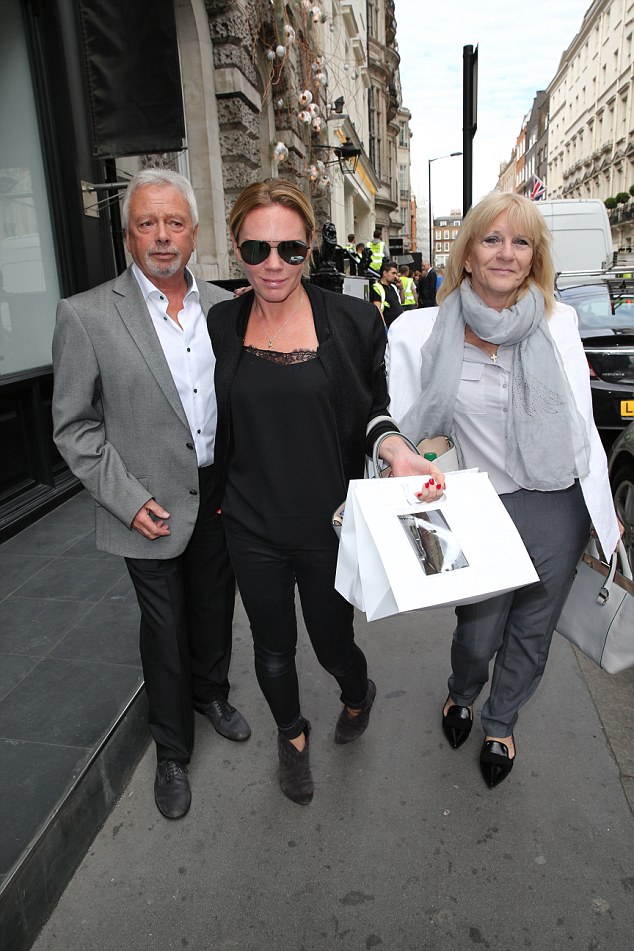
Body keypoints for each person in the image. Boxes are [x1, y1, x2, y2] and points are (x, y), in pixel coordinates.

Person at [207, 179, 444, 805]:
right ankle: (292, 736)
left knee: (334, 643)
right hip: (250, 525)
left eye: (289, 249)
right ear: (236, 249)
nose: (273, 264)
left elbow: (372, 412)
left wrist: (396, 450)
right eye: (256, 250)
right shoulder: (221, 323)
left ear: (311, 247)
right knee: (273, 652)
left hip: (330, 526)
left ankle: (356, 694)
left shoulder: (352, 320)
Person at [387, 191, 620, 788]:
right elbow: (404, 423)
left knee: (532, 630)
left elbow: (580, 422)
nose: (506, 253)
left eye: (520, 242)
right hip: (473, 506)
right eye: (491, 239)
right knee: (478, 631)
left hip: (554, 503)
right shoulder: (421, 330)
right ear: (467, 255)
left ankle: (501, 720)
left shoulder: (556, 322)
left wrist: (602, 514)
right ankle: (462, 689)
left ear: (535, 256)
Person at [52, 169, 251, 820]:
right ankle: (171, 750)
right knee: (164, 626)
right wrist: (125, 498)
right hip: (146, 501)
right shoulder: (85, 315)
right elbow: (74, 427)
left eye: (174, 223)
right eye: (147, 223)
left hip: (219, 486)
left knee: (214, 605)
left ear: (194, 233)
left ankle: (211, 692)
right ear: (128, 233)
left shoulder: (227, 307)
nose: (162, 236)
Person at [370, 260, 404, 328]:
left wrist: (401, 288)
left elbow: (402, 301)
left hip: (398, 325)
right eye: (393, 273)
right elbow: (378, 309)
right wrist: (384, 327)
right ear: (385, 273)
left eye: (396, 274)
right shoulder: (377, 287)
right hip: (389, 326)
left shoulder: (393, 287)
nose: (395, 276)